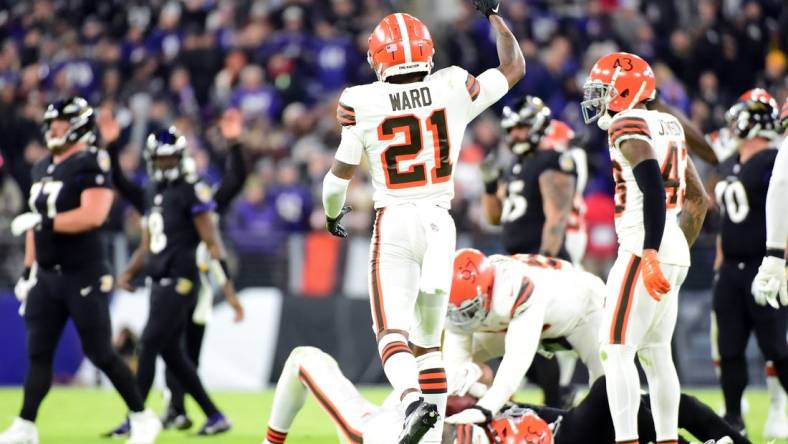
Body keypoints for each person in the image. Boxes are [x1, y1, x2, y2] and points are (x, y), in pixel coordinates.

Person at [319, 0, 525, 442]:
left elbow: (338, 177)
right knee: (428, 342)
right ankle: (428, 432)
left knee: (390, 331)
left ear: (378, 59)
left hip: (394, 220)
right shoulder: (452, 84)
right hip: (439, 222)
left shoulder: (360, 100)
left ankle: (412, 402)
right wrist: (493, 15)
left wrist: (333, 214)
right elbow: (513, 67)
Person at [1, 97, 160, 444]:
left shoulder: (92, 162)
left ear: (77, 126)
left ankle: (142, 416)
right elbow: (33, 227)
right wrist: (29, 273)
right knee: (38, 353)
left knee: (101, 351)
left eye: (60, 123)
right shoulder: (41, 166)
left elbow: (93, 214)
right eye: (51, 123)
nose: (53, 129)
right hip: (47, 274)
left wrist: (45, 220)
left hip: (82, 272)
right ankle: (26, 425)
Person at [580, 52, 709, 443]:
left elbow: (652, 186)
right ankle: (667, 439)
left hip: (642, 244)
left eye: (604, 90)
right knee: (656, 354)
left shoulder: (626, 122)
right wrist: (672, 250)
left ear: (625, 89)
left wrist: (651, 251)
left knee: (615, 349)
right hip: (671, 241)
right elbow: (699, 199)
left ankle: (627, 440)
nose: (599, 99)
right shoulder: (669, 123)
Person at [97, 108, 247, 430]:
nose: (165, 164)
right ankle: (210, 414)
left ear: (180, 158)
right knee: (174, 355)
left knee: (151, 344)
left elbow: (213, 239)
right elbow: (149, 241)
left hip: (185, 280)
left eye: (170, 158)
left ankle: (136, 417)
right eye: (160, 159)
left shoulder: (192, 190)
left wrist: (230, 291)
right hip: (160, 279)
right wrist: (129, 272)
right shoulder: (153, 192)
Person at [262, 346, 736, 444]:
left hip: (549, 425)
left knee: (628, 399)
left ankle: (724, 439)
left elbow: (304, 359)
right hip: (552, 439)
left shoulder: (373, 422)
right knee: (617, 387)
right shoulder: (377, 431)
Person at [440, 249, 604, 426]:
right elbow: (453, 369)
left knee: (605, 391)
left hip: (583, 309)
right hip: (520, 319)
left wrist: (485, 408)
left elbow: (516, 360)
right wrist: (473, 380)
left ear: (488, 291)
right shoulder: (469, 299)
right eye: (456, 312)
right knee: (453, 378)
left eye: (469, 310)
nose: (463, 320)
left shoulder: (515, 290)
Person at [711, 89, 787, 437]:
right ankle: (732, 419)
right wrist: (719, 261)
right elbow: (728, 221)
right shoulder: (733, 162)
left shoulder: (774, 159)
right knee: (729, 348)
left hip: (763, 265)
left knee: (777, 347)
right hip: (731, 270)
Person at [480, 96, 577, 261]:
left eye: (521, 127)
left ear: (539, 125)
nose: (515, 134)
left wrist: (544, 261)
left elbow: (557, 219)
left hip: (542, 258)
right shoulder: (516, 165)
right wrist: (490, 186)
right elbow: (495, 219)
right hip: (518, 259)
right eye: (511, 129)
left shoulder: (552, 159)